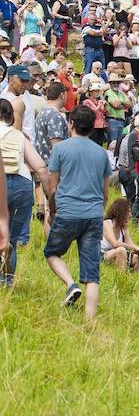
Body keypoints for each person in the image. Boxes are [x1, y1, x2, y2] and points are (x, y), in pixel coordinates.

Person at [43, 106, 112, 318]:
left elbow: (53, 188)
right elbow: (106, 192)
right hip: (93, 214)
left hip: (67, 210)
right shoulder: (102, 153)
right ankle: (90, 322)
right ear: (92, 128)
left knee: (52, 252)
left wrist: (52, 210)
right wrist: (98, 212)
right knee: (92, 273)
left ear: (70, 123)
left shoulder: (60, 149)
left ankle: (71, 284)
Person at [0, 98, 51, 288]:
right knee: (11, 239)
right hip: (22, 184)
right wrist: (49, 197)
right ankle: (7, 282)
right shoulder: (19, 136)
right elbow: (41, 169)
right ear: (11, 117)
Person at [101, 197, 139, 271]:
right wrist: (135, 249)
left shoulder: (123, 229)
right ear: (120, 212)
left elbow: (132, 246)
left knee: (137, 258)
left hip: (118, 255)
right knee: (121, 250)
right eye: (128, 212)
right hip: (103, 256)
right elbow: (115, 244)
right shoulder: (106, 223)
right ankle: (122, 278)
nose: (130, 215)